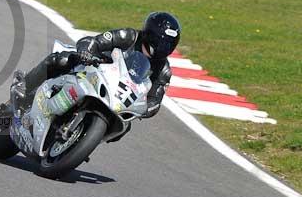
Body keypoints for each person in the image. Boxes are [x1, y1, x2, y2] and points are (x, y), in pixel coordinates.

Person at [14, 12, 181, 119]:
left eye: (168, 45)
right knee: (62, 60)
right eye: (160, 42)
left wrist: (143, 109)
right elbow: (97, 41)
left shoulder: (163, 70)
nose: (162, 47)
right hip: (94, 69)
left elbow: (155, 100)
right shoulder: (128, 36)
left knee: (124, 126)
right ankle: (26, 86)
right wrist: (87, 51)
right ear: (149, 34)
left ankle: (81, 139)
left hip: (118, 97)